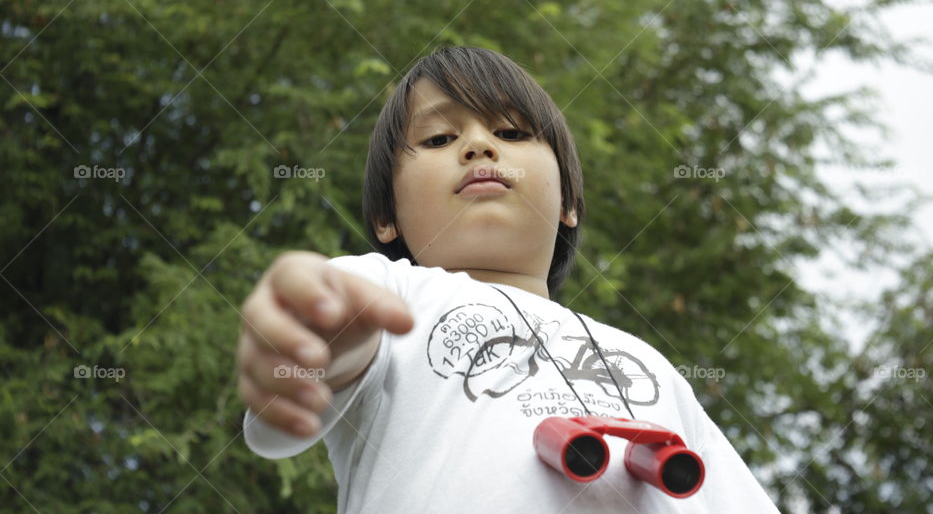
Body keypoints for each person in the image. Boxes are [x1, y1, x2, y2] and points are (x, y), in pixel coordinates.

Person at [236, 46, 781, 513]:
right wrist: (313, 342)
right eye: (438, 139)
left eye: (511, 131)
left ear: (567, 201)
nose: (478, 146)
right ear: (386, 218)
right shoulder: (387, 291)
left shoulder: (649, 365)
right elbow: (318, 364)